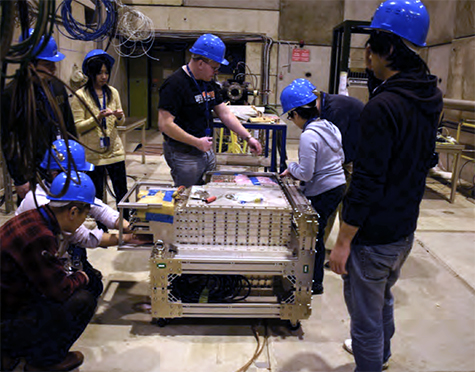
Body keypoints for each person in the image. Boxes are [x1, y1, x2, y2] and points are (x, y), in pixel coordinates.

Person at [329, 1, 443, 371]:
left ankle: (371, 362)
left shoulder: (383, 106)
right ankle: (383, 356)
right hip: (403, 230)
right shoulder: (428, 96)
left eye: (371, 45)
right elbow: (425, 160)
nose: (366, 54)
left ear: (389, 49)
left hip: (374, 235)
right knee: (384, 299)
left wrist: (343, 242)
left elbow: (366, 182)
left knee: (365, 318)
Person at [15, 139, 145, 297]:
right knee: (83, 296)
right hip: (26, 268)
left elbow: (97, 207)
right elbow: (82, 236)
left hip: (50, 251)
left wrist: (129, 227)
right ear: (55, 173)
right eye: (78, 172)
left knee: (93, 284)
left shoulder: (59, 188)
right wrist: (129, 238)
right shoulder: (39, 201)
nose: (81, 176)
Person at [0, 171, 98, 372]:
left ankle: (10, 352)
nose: (83, 222)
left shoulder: (35, 216)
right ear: (72, 212)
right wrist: (83, 276)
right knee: (84, 298)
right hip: (7, 316)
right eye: (84, 215)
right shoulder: (40, 236)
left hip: (8, 303)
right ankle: (44, 361)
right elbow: (59, 290)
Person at [158, 33, 262, 187]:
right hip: (184, 153)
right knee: (187, 199)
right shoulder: (175, 84)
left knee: (207, 191)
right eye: (214, 67)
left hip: (205, 149)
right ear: (200, 63)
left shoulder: (208, 83)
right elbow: (165, 124)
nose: (216, 72)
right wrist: (196, 142)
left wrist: (248, 137)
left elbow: (224, 113)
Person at [279, 79, 346, 295]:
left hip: (324, 190)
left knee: (312, 236)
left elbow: (306, 173)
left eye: (291, 116)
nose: (293, 121)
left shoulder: (309, 135)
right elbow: (341, 157)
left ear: (298, 114)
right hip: (338, 185)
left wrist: (291, 167)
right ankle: (313, 278)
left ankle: (315, 283)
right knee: (318, 231)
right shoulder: (330, 126)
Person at [1, 29, 78, 204]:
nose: (54, 69)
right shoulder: (11, 95)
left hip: (59, 166)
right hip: (31, 171)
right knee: (36, 221)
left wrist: (73, 164)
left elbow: (69, 127)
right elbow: (9, 141)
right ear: (29, 64)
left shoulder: (56, 87)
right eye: (48, 64)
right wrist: (19, 179)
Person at [71, 49, 128, 213]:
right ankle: (102, 229)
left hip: (114, 151)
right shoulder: (80, 96)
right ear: (90, 73)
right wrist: (97, 118)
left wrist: (119, 116)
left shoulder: (113, 92)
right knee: (96, 195)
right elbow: (78, 126)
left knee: (122, 191)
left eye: (106, 72)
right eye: (99, 73)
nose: (104, 77)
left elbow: (121, 122)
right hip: (93, 154)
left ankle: (126, 223)